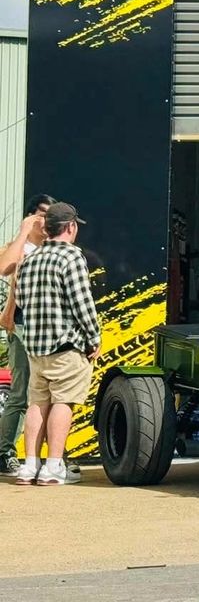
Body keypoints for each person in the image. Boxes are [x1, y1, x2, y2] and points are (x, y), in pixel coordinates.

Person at [14, 202, 101, 486]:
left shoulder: (31, 259)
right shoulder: (72, 256)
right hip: (65, 346)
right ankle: (53, 466)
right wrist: (94, 338)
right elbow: (82, 303)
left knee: (37, 404)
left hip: (35, 348)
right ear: (70, 227)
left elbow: (21, 301)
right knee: (63, 402)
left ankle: (29, 466)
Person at [0, 195, 54, 474]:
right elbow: (4, 268)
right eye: (42, 215)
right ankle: (4, 451)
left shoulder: (53, 248)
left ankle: (50, 457)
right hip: (23, 327)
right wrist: (23, 232)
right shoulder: (20, 246)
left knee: (50, 395)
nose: (46, 222)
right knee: (21, 393)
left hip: (50, 329)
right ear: (32, 216)